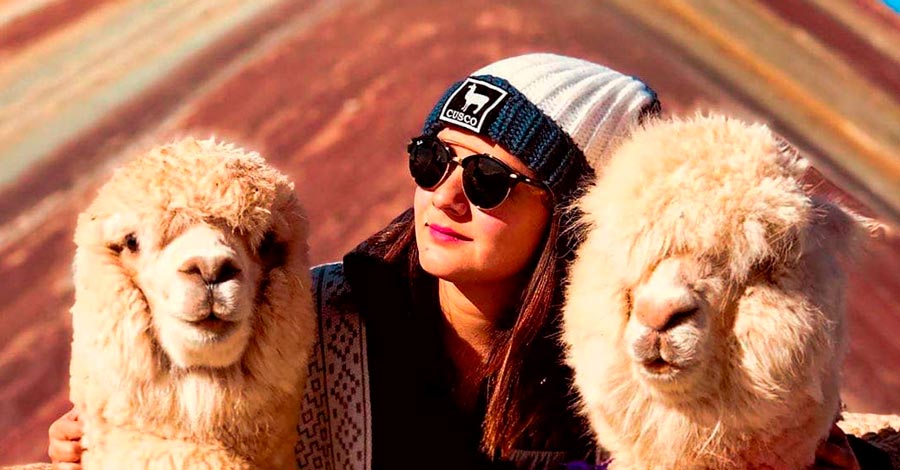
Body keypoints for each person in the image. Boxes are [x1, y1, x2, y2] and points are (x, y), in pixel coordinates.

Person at [47, 53, 864, 469]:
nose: (445, 196)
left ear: (575, 214)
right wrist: (105, 433)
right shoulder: (317, 324)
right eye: (430, 160)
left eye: (489, 180)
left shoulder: (631, 375)